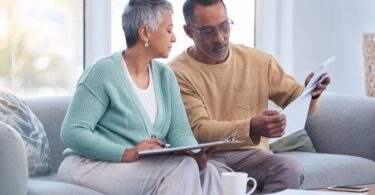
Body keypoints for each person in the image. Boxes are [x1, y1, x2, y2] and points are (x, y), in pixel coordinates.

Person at [57, 0, 222, 195]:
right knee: (181, 169)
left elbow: (180, 134)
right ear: (145, 33)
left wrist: (196, 154)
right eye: (169, 30)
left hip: (135, 166)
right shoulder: (103, 72)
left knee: (208, 171)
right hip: (88, 165)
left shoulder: (165, 76)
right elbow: (72, 131)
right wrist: (125, 153)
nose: (174, 38)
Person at [169, 0, 330, 194]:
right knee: (215, 177)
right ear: (189, 32)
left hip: (253, 155)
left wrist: (311, 93)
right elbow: (200, 130)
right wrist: (251, 126)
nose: (220, 37)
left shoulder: (258, 61)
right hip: (208, 157)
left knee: (290, 168)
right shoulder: (176, 73)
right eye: (209, 31)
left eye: (224, 26)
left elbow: (299, 103)